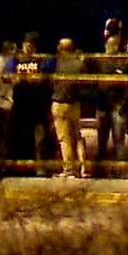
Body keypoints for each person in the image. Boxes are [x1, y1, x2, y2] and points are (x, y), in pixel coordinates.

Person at [91, 33, 128, 177]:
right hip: (102, 107)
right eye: (109, 45)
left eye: (113, 45)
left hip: (118, 108)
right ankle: (99, 171)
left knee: (119, 144)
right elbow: (92, 80)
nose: (111, 48)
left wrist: (124, 104)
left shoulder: (123, 62)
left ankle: (119, 173)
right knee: (101, 142)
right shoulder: (99, 61)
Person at [12, 31, 55, 175]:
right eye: (25, 44)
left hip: (38, 105)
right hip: (21, 104)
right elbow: (10, 78)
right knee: (22, 137)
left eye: (30, 44)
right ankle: (22, 169)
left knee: (40, 138)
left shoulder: (42, 60)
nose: (27, 47)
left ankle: (40, 168)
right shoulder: (18, 60)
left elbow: (46, 80)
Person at [49, 38, 87, 177]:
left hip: (60, 103)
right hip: (75, 104)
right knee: (77, 136)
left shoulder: (57, 64)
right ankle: (84, 168)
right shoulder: (79, 65)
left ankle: (69, 169)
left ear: (62, 48)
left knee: (64, 138)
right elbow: (85, 85)